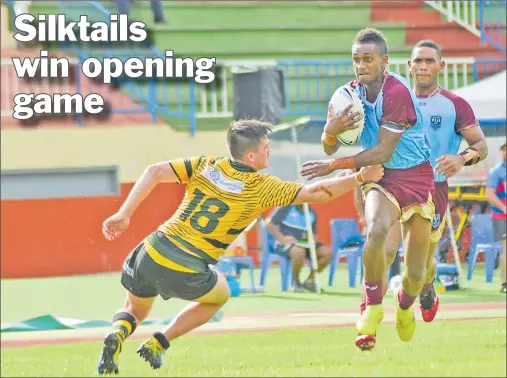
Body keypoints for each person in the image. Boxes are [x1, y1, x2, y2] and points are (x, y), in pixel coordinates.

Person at [96, 119, 384, 374]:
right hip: (186, 262)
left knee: (134, 310)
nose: (269, 151)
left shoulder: (207, 164)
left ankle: (117, 336)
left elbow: (155, 170)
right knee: (219, 295)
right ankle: (160, 342)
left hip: (152, 247)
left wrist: (124, 214)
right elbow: (316, 192)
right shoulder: (261, 186)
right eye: (266, 147)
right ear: (251, 155)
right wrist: (360, 177)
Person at [301, 28, 436, 351]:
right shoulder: (347, 95)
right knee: (375, 232)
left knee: (415, 275)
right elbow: (330, 147)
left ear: (384, 61)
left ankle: (404, 305)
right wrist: (329, 133)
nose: (360, 65)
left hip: (416, 178)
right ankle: (371, 309)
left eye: (367, 59)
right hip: (381, 177)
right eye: (356, 59)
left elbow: (383, 150)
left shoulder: (397, 93)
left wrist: (333, 165)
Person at [356, 40, 489, 322]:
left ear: (441, 66)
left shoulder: (455, 105)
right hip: (392, 182)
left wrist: (460, 159)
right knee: (386, 247)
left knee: (422, 265)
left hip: (432, 188)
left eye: (430, 61)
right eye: (418, 61)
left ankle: (426, 286)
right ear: (409, 66)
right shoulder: (393, 96)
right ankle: (368, 310)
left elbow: (481, 146)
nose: (423, 66)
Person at [266, 204, 332, 292]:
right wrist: (283, 239)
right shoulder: (286, 208)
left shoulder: (311, 213)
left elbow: (314, 234)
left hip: (306, 245)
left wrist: (312, 239)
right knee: (299, 252)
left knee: (327, 252)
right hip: (285, 244)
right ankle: (296, 282)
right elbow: (269, 225)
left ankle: (309, 281)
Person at [485, 142, 506, 293]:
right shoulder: (496, 172)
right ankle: (505, 283)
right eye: (505, 149)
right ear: (501, 151)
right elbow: (489, 194)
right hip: (502, 216)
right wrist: (504, 208)